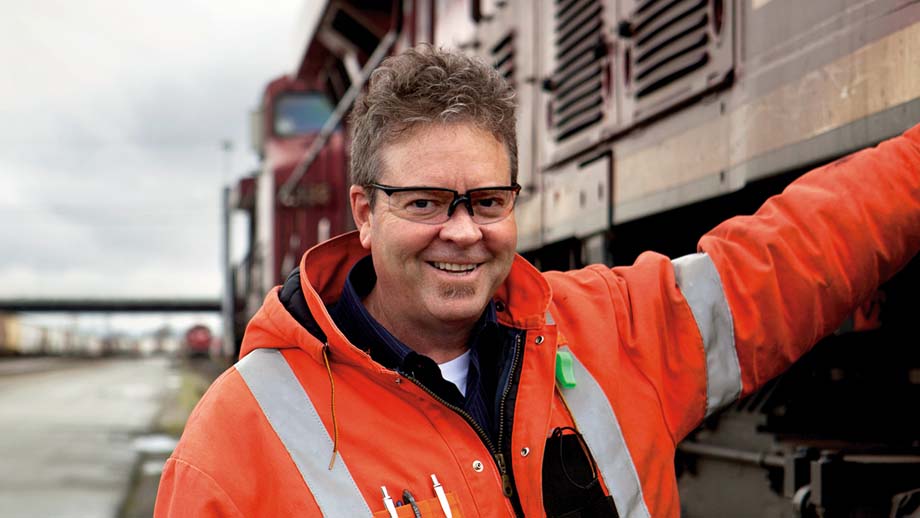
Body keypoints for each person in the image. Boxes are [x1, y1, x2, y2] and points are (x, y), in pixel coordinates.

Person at [154, 45, 920, 517]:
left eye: (488, 201)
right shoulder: (237, 439)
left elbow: (786, 258)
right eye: (424, 202)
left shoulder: (608, 329)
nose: (463, 231)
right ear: (364, 209)